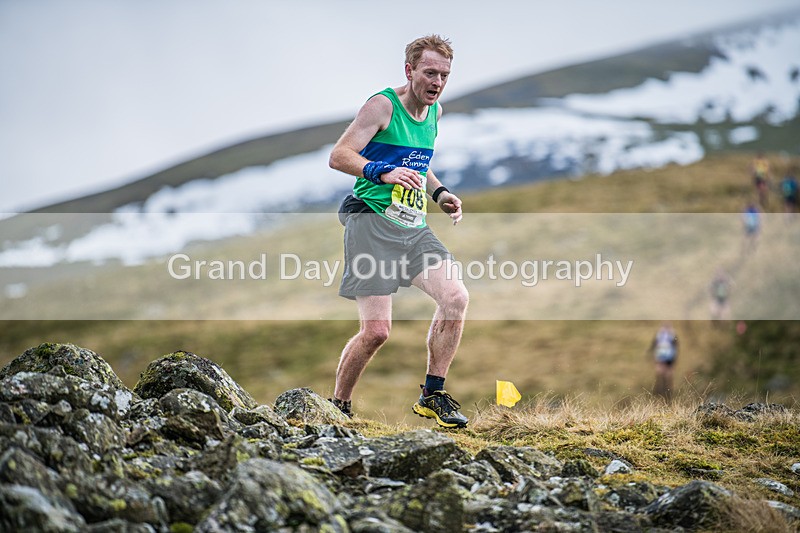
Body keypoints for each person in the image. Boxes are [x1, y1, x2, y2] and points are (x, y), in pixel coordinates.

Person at [327, 35, 469, 428]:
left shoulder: (435, 112)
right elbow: (339, 156)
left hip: (412, 226)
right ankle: (338, 407)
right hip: (370, 222)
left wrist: (439, 193)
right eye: (429, 73)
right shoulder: (383, 106)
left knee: (455, 297)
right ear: (409, 71)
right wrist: (382, 172)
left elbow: (418, 163)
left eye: (444, 75)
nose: (437, 82)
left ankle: (433, 394)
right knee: (376, 332)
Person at [650, 323, 678, 400]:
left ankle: (662, 394)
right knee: (666, 377)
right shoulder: (671, 335)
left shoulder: (660, 335)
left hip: (663, 358)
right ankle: (665, 394)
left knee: (662, 377)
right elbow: (675, 348)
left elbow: (653, 346)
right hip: (667, 358)